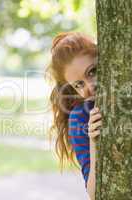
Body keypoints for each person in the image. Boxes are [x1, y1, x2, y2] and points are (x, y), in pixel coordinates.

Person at [45, 32, 102, 200]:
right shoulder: (80, 117)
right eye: (79, 84)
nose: (90, 87)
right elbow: (93, 194)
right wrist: (94, 140)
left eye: (92, 72)